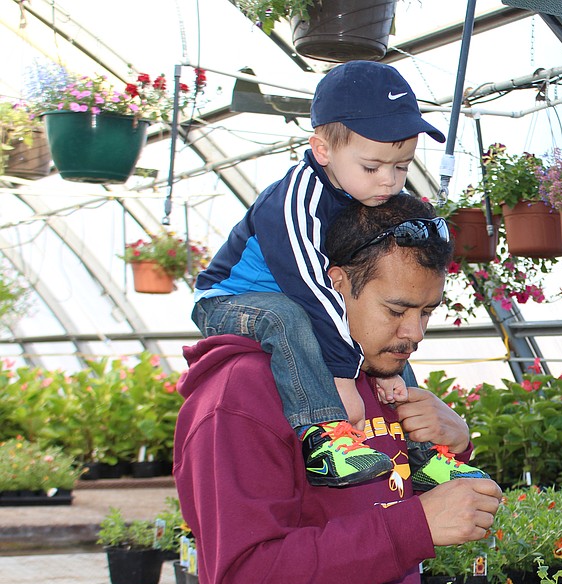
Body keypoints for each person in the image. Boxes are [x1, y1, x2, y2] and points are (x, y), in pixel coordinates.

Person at [174, 192, 503, 584]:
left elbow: (383, 499)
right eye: (398, 309)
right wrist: (417, 525)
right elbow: (246, 583)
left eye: (427, 313)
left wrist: (454, 447)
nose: (414, 335)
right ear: (338, 282)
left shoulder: (373, 375)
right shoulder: (241, 396)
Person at [192, 59, 488, 490]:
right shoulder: (294, 199)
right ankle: (324, 437)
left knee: (391, 342)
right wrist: (341, 380)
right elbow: (311, 289)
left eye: (402, 166)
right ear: (323, 151)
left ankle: (427, 457)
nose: (389, 181)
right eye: (373, 167)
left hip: (299, 298)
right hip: (233, 302)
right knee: (287, 318)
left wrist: (384, 371)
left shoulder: (365, 190)